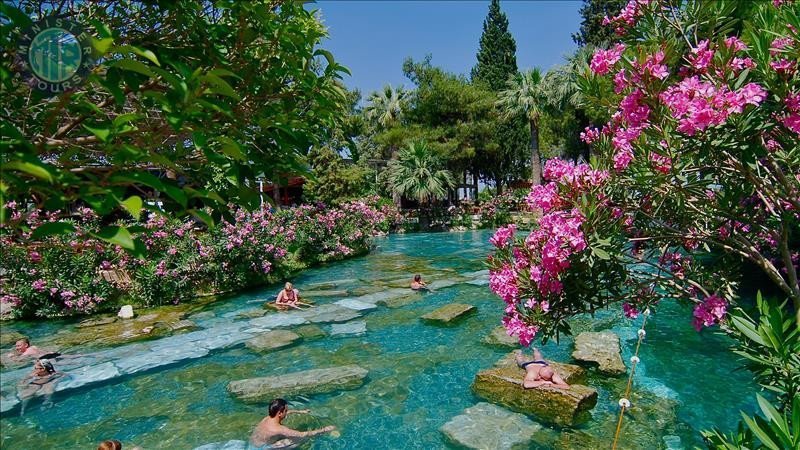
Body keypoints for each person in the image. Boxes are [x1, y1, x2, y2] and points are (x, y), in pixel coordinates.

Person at [250, 398, 335, 448]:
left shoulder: (267, 418)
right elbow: (303, 434)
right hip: (263, 448)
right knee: (299, 439)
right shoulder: (280, 429)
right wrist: (324, 429)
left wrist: (301, 411)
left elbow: (285, 413)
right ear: (280, 413)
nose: (287, 412)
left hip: (254, 443)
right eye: (285, 411)